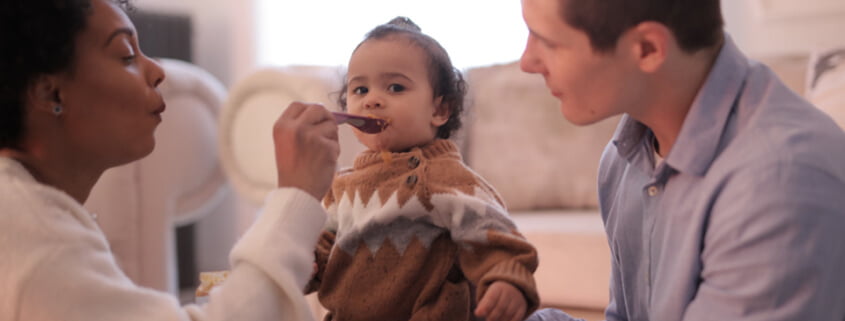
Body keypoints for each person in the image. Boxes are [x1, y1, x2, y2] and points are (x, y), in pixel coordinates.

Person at [0, 0, 339, 320]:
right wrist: (295, 198)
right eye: (126, 55)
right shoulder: (34, 233)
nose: (158, 70)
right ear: (50, 93)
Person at [518, 0, 845, 320]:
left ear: (647, 48)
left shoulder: (778, 185)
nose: (526, 62)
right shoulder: (626, 158)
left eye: (547, 42)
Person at [304, 17, 539, 321]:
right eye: (360, 90)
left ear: (440, 109)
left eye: (395, 87)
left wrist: (507, 279)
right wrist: (304, 263)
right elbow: (326, 247)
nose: (372, 100)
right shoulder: (343, 186)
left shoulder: (442, 177)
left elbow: (494, 233)